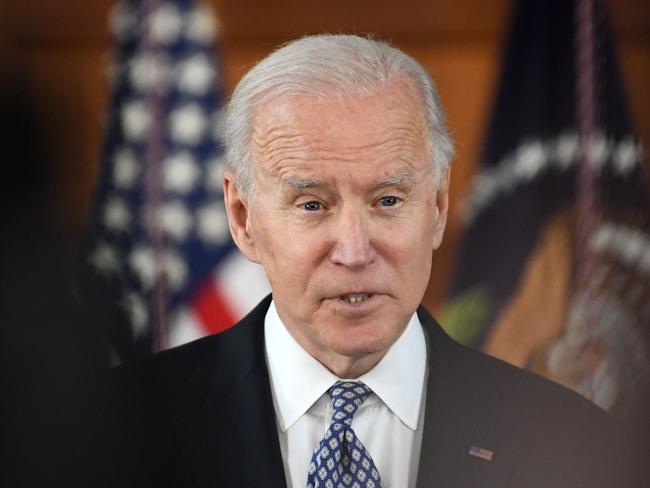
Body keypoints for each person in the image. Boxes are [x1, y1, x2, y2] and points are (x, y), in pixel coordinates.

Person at [111, 34, 643, 488]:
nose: (355, 251)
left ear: (437, 206)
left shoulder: (571, 444)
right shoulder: (113, 432)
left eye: (388, 200)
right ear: (244, 217)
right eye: (313, 205)